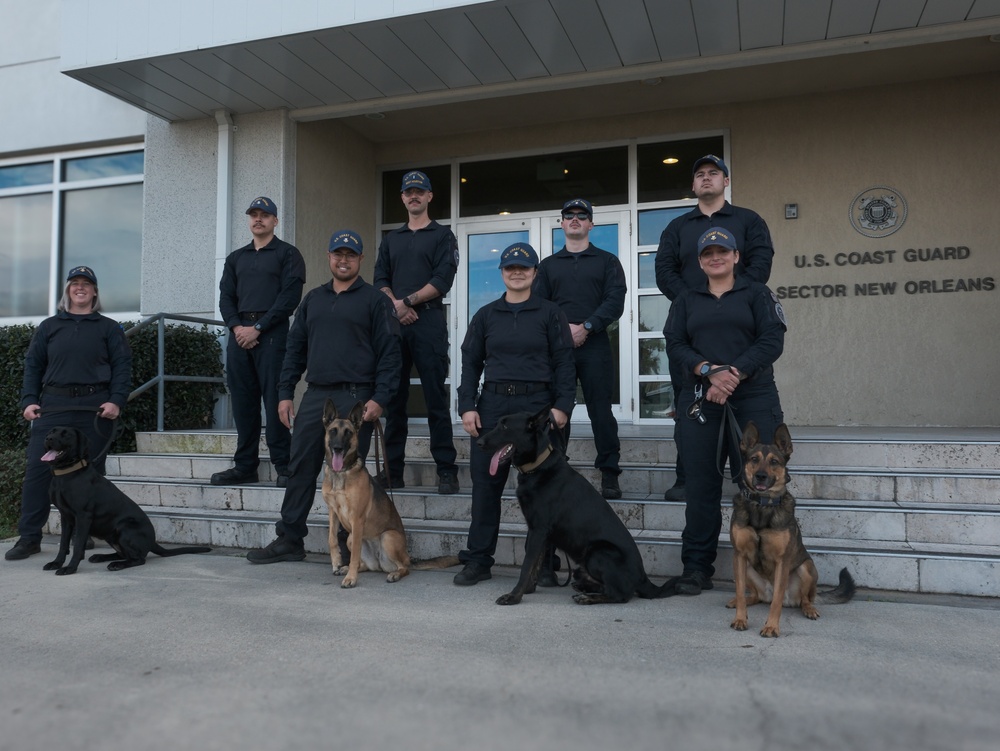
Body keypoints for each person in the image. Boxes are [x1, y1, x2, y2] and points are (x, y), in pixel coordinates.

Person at [246, 230, 401, 564]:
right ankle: (289, 539)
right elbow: (294, 350)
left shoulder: (376, 301)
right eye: (337, 254)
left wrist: (380, 398)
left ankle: (348, 548)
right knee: (299, 465)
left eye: (350, 254)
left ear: (360, 259)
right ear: (329, 257)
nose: (342, 260)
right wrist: (285, 393)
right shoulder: (312, 300)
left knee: (347, 473)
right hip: (316, 396)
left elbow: (390, 355)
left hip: (355, 396)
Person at [664, 227, 786, 595]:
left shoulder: (757, 293)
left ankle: (765, 569)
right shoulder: (686, 299)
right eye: (707, 254)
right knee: (701, 488)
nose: (715, 257)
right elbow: (674, 343)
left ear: (736, 256)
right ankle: (696, 568)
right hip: (702, 400)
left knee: (760, 485)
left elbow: (772, 339)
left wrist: (733, 372)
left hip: (754, 398)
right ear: (700, 262)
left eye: (723, 251)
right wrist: (707, 371)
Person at [453, 242, 576, 587]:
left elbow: (566, 364)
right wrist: (467, 405)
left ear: (535, 273)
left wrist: (562, 407)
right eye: (510, 268)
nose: (517, 272)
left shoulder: (552, 314)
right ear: (502, 273)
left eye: (524, 268)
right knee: (486, 488)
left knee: (546, 492)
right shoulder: (486, 315)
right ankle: (478, 561)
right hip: (493, 408)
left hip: (539, 411)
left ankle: (546, 565)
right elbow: (470, 365)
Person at [655, 155, 774, 503]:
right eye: (700, 175)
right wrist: (696, 301)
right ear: (693, 186)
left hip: (741, 332)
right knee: (688, 410)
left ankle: (746, 480)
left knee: (744, 409)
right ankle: (686, 478)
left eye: (714, 173)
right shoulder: (676, 227)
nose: (707, 179)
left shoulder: (749, 221)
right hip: (692, 332)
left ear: (725, 181)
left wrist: (732, 298)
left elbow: (762, 262)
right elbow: (665, 270)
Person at [6, 266, 132, 561]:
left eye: (86, 284)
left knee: (90, 477)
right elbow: (33, 366)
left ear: (95, 291)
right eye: (75, 283)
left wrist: (116, 400)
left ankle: (82, 533)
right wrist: (28, 401)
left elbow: (122, 367)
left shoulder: (109, 328)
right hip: (53, 407)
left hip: (94, 409)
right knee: (38, 474)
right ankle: (29, 538)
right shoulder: (49, 326)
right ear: (67, 290)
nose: (80, 288)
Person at [373, 170, 460, 494]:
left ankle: (446, 471)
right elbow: (379, 278)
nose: (414, 196)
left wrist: (405, 302)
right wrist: (395, 305)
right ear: (402, 197)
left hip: (428, 323)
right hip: (394, 327)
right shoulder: (391, 240)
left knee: (435, 399)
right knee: (394, 402)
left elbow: (442, 280)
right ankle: (393, 472)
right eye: (408, 192)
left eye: (419, 192)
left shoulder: (442, 236)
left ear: (429, 196)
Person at [535, 198, 627, 500]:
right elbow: (540, 306)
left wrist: (586, 327)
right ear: (561, 223)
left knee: (600, 411)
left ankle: (610, 474)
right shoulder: (547, 267)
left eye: (581, 215)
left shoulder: (607, 261)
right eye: (569, 215)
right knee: (558, 410)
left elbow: (615, 301)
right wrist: (565, 332)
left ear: (590, 223)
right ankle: (556, 469)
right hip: (558, 348)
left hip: (596, 343)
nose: (575, 219)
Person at [214, 196, 306, 488]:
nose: (258, 219)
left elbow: (289, 299)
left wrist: (258, 328)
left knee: (275, 401)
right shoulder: (235, 258)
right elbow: (226, 298)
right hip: (239, 334)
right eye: (253, 214)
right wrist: (237, 328)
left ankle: (284, 464)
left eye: (264, 215)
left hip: (272, 336)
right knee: (243, 404)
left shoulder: (288, 254)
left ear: (275, 221)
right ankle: (245, 466)